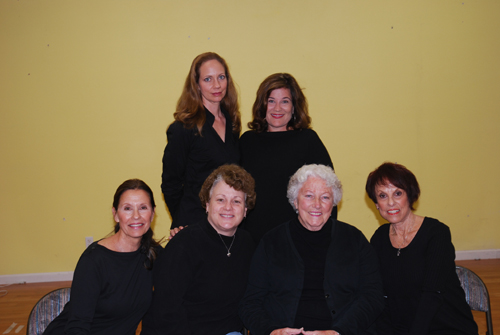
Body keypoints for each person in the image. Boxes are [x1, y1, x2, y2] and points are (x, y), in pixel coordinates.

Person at [240, 164, 383, 335]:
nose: (317, 204)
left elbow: (373, 297)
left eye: (325, 197)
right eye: (309, 196)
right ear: (295, 201)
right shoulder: (271, 242)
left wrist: (338, 332)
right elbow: (250, 303)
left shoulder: (355, 239)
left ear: (334, 202)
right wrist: (271, 331)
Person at [141, 164, 256, 335]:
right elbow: (166, 311)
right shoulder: (184, 244)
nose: (228, 207)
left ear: (245, 210)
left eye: (237, 201)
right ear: (207, 204)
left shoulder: (247, 244)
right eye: (220, 199)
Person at [366, 162, 478, 335]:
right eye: (382, 196)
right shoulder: (379, 238)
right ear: (376, 205)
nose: (390, 202)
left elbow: (432, 295)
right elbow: (378, 293)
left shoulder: (436, 233)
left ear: (410, 196)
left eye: (397, 193)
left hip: (446, 327)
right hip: (401, 328)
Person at [43, 179, 163, 335]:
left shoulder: (154, 254)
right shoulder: (94, 260)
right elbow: (77, 326)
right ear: (116, 215)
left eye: (143, 208)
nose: (136, 216)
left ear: (152, 214)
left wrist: (184, 238)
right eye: (127, 208)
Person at [239, 73, 334, 243]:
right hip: (253, 237)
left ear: (294, 107)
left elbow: (328, 191)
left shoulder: (308, 141)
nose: (277, 108)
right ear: (262, 105)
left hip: (298, 237)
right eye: (271, 101)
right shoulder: (247, 142)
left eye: (285, 101)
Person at [162, 52, 241, 238]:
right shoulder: (183, 128)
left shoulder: (232, 122)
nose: (217, 85)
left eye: (221, 77)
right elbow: (170, 184)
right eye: (208, 79)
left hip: (227, 222)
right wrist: (183, 220)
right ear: (196, 85)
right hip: (194, 224)